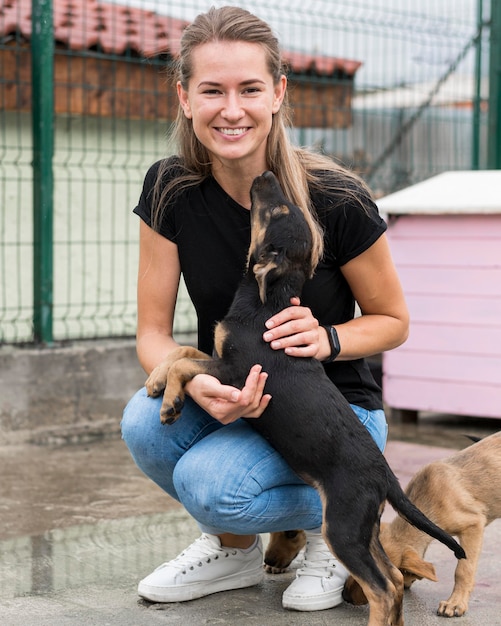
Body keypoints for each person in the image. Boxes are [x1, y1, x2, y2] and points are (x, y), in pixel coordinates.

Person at [121, 5, 409, 613]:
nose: (231, 109)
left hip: (339, 423)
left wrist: (328, 339)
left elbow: (393, 322)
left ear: (277, 92)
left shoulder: (335, 197)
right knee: (144, 422)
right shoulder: (170, 188)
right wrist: (197, 384)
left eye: (250, 88)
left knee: (211, 485)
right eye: (212, 90)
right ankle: (233, 552)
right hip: (240, 395)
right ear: (184, 97)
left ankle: (340, 533)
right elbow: (151, 333)